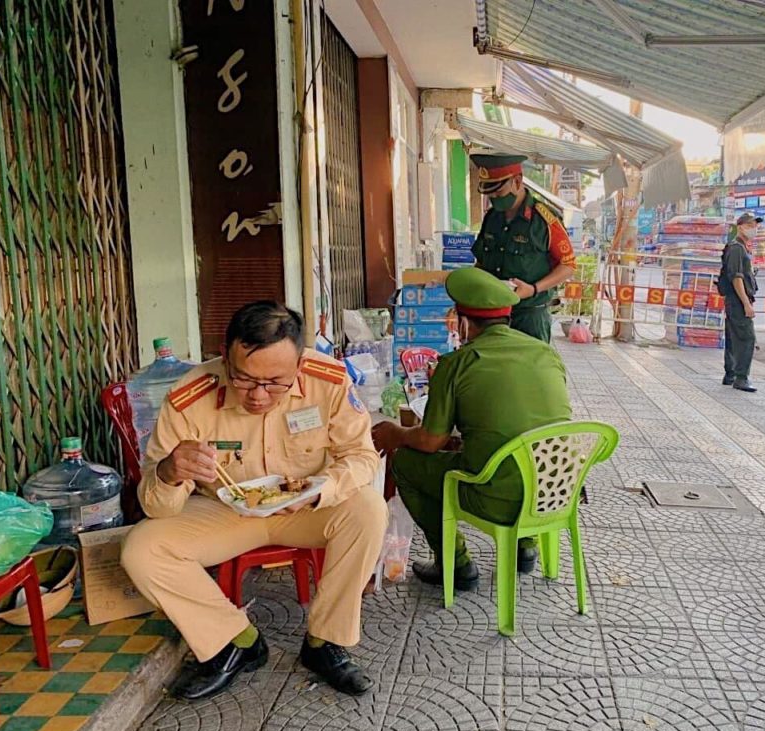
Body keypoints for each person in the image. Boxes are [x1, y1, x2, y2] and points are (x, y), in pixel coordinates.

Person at [121, 301, 387, 700]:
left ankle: (324, 642)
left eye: (276, 383)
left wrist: (320, 489)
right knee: (141, 550)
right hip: (224, 511)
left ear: (299, 365)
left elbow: (363, 457)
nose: (259, 395)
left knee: (368, 510)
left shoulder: (328, 380)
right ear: (224, 358)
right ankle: (235, 641)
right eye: (244, 380)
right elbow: (157, 508)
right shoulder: (188, 397)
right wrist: (168, 473)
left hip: (303, 506)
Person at [371, 268, 572, 588]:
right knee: (520, 452)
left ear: (463, 324)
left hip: (494, 495)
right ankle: (526, 546)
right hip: (557, 490)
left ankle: (456, 563)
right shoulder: (546, 352)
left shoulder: (456, 363)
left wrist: (395, 434)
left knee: (407, 463)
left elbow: (430, 441)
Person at [469, 152, 576, 342]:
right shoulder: (492, 218)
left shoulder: (544, 220)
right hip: (493, 316)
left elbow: (568, 265)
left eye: (498, 193)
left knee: (532, 369)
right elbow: (481, 263)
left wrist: (534, 289)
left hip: (530, 316)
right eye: (490, 194)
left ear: (517, 182)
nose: (494, 198)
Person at [719, 213, 762, 393]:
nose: (755, 228)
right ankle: (741, 378)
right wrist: (746, 303)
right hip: (737, 300)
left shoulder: (741, 247)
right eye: (752, 225)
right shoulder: (737, 248)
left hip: (734, 300)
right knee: (746, 338)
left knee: (733, 337)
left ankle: (730, 374)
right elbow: (736, 278)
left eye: (756, 225)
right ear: (741, 226)